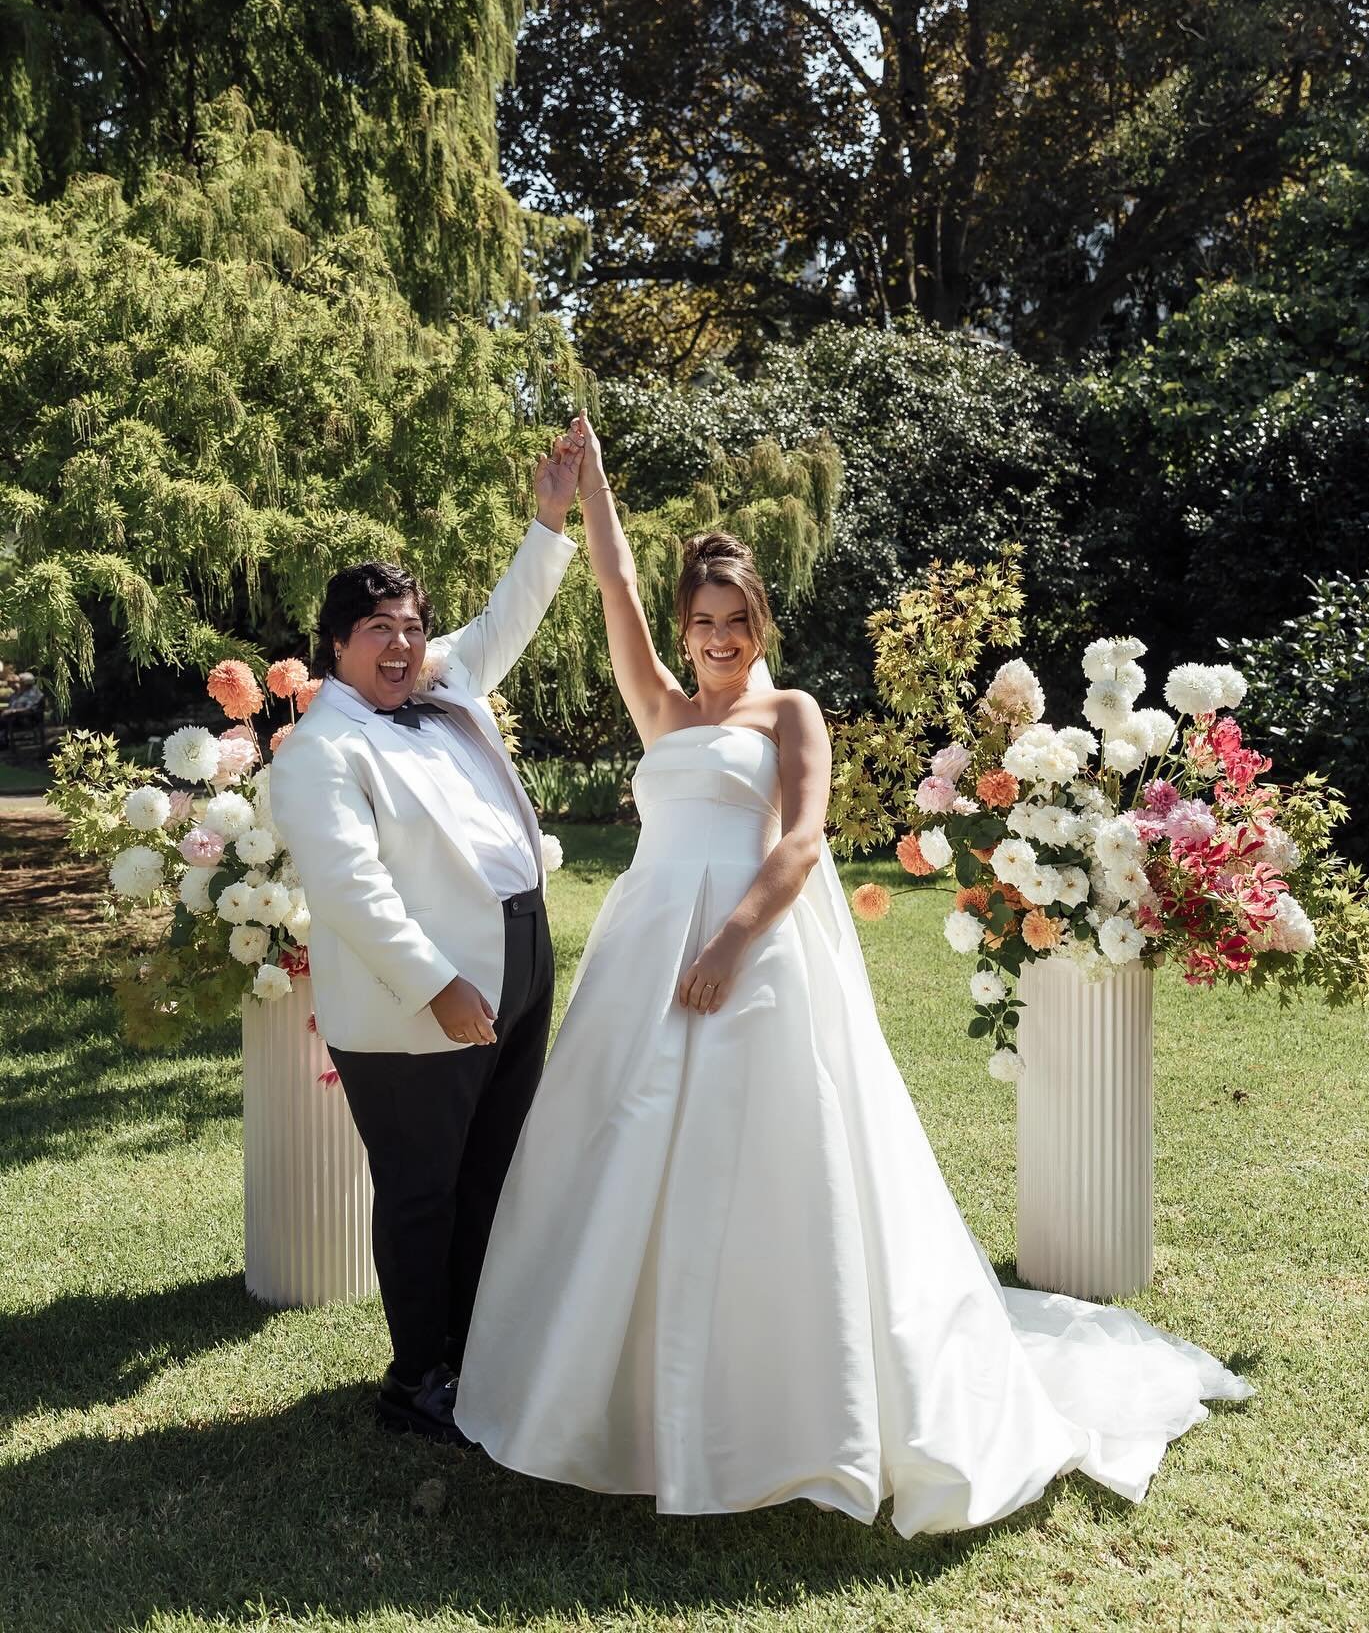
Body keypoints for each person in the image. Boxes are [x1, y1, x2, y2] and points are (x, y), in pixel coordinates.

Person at [454, 418, 1252, 1535]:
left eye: (738, 622)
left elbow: (801, 844)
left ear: (759, 627)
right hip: (643, 952)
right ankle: (619, 1404)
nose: (720, 638)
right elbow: (613, 584)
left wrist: (728, 945)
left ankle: (789, 1411)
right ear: (685, 632)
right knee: (617, 1155)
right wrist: (584, 491)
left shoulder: (792, 714)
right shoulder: (660, 707)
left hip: (750, 950)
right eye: (704, 622)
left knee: (775, 1166)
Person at [270, 430, 585, 1446]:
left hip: (520, 959)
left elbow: (506, 620)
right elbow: (353, 893)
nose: (399, 647)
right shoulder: (322, 752)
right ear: (336, 646)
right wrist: (437, 985)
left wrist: (549, 519)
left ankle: (475, 1359)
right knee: (423, 1193)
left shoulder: (445, 691)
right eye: (376, 631)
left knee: (493, 1175)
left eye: (409, 628)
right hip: (425, 1000)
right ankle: (416, 1386)